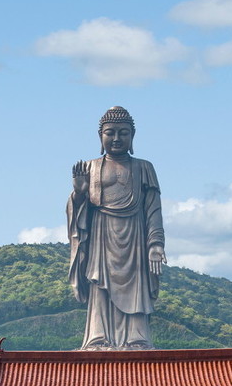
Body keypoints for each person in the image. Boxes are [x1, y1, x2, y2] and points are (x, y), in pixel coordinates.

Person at [67, 106, 166, 351]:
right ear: (100, 136)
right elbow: (79, 210)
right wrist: (79, 192)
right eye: (110, 133)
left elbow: (153, 209)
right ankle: (98, 338)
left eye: (123, 133)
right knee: (99, 285)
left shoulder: (144, 167)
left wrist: (155, 244)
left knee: (136, 287)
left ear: (133, 136)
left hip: (135, 235)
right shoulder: (90, 167)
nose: (116, 139)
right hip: (101, 234)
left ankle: (137, 339)